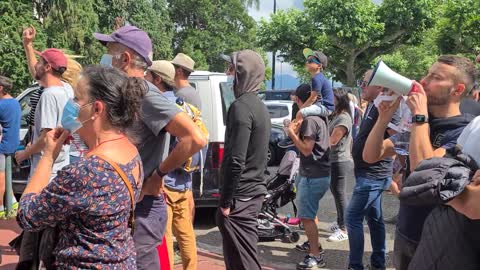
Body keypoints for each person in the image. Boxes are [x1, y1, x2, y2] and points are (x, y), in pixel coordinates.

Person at [94, 25, 207, 270]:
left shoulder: (146, 94)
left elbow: (194, 138)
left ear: (124, 59)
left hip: (144, 206)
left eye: (110, 53)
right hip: (130, 202)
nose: (106, 61)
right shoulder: (127, 93)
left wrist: (158, 175)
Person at [17, 66, 144, 269]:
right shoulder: (130, 151)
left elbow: (28, 216)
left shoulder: (87, 171)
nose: (70, 104)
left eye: (77, 98)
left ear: (97, 109)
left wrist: (48, 156)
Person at [361, 55, 476, 270]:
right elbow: (371, 155)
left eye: (435, 77)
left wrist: (420, 116)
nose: (423, 81)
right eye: (427, 74)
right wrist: (384, 118)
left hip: (438, 240)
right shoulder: (421, 124)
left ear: (457, 90)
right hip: (407, 231)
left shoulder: (465, 130)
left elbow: (426, 173)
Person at [216, 50, 270, 270]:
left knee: (243, 261)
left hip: (241, 196)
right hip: (251, 192)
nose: (228, 74)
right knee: (239, 257)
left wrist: (226, 201)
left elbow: (235, 159)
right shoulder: (259, 107)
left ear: (242, 73)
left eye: (231, 69)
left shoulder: (240, 108)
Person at [146, 60, 198, 270]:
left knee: (164, 235)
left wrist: (158, 173)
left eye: (149, 76)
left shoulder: (159, 107)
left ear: (157, 79)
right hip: (184, 180)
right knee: (185, 233)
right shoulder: (184, 105)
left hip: (163, 180)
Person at [346, 70, 400, 270]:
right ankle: (378, 264)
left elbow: (398, 140)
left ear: (379, 86)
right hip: (367, 174)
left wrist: (392, 171)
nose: (361, 86)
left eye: (365, 82)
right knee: (375, 219)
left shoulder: (389, 107)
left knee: (352, 217)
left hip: (373, 175)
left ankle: (355, 266)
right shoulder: (371, 105)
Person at [16, 27, 73, 179]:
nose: (36, 65)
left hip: (44, 168)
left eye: (40, 62)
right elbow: (37, 74)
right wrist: (28, 45)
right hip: (59, 163)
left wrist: (24, 153)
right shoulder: (66, 89)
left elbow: (47, 138)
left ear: (48, 67)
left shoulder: (49, 94)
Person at [285, 84, 330, 269]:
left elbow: (306, 149)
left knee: (307, 217)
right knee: (310, 214)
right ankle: (314, 245)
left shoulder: (310, 120)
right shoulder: (320, 117)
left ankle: (316, 256)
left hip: (314, 175)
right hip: (317, 173)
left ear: (298, 99)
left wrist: (291, 134)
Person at [278, 49, 335, 148]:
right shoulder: (318, 78)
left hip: (325, 107)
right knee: (302, 113)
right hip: (322, 105)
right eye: (307, 61)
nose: (307, 63)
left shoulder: (316, 78)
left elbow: (313, 97)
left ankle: (292, 137)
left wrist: (302, 108)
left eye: (310, 61)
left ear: (319, 66)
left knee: (300, 113)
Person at [327, 88, 353, 242]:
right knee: (336, 192)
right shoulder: (337, 115)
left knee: (340, 193)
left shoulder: (344, 118)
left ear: (339, 99)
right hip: (336, 159)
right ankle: (340, 223)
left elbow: (332, 141)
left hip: (340, 160)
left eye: (332, 98)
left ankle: (344, 228)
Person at [0, 76, 21, 219]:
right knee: (7, 176)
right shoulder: (15, 102)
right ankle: (13, 202)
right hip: (13, 144)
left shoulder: (1, 105)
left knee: (0, 178)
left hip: (2, 146)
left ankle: (1, 208)